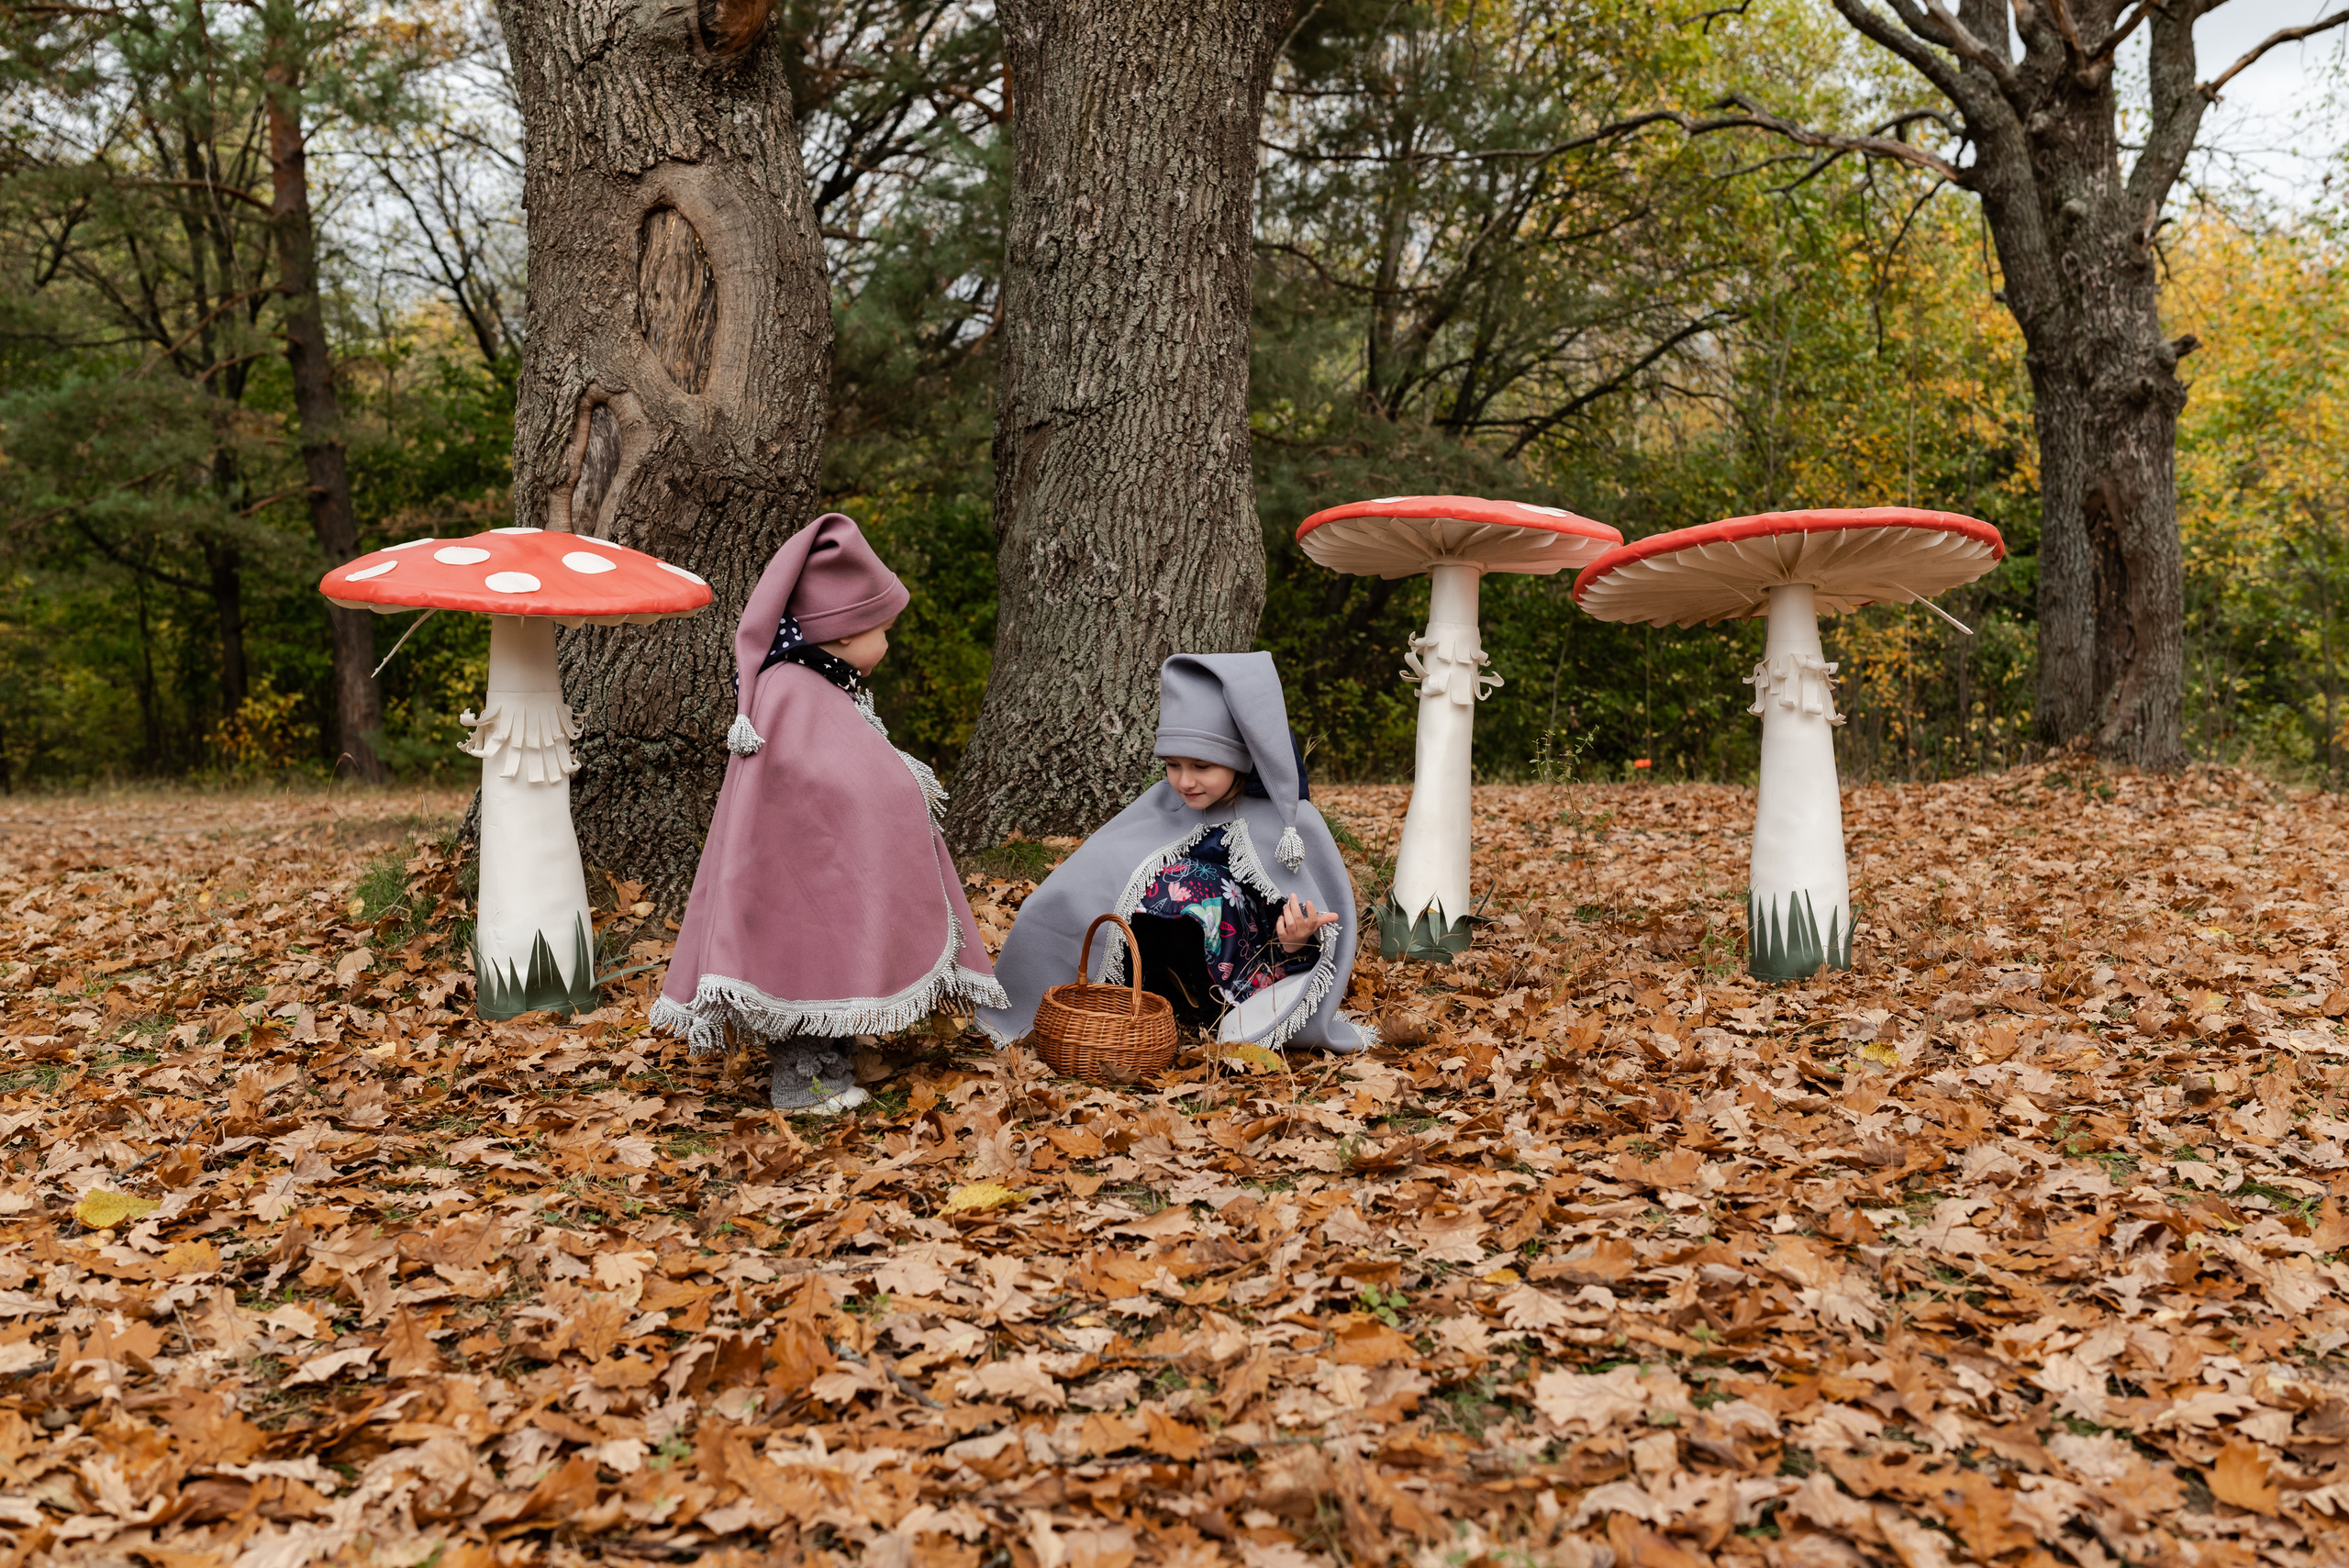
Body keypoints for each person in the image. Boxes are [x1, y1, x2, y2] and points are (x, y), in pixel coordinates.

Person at [652, 514, 1008, 1111]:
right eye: (883, 630)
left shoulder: (822, 684)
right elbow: (816, 777)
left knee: (831, 956)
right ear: (843, 632)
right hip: (800, 875)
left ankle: (830, 1056)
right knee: (808, 960)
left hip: (825, 866)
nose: (889, 645)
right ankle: (804, 1080)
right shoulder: (793, 689)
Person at [980, 651, 1374, 1053]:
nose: (1184, 781)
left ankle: (1207, 1007)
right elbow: (1098, 873)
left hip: (1243, 979)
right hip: (1153, 969)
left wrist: (1293, 941)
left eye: (1202, 765)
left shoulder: (1286, 822)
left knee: (1204, 887)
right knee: (1156, 881)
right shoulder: (1164, 805)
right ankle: (1135, 995)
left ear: (1239, 758)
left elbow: (1311, 930)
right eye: (1172, 764)